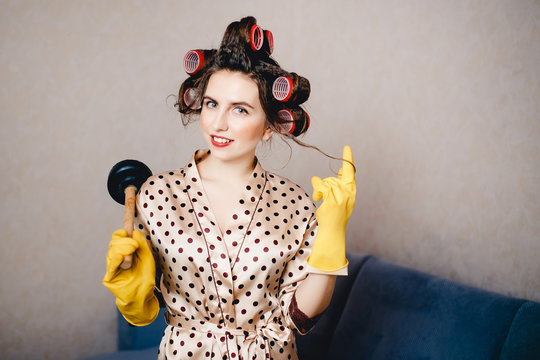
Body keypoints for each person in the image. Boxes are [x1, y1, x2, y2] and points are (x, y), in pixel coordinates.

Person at [103, 16, 356, 360]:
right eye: (211, 104)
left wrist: (332, 232)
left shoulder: (295, 204)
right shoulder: (157, 194)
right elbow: (143, 310)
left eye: (240, 109)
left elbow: (301, 315)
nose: (219, 123)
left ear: (270, 126)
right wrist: (130, 287)